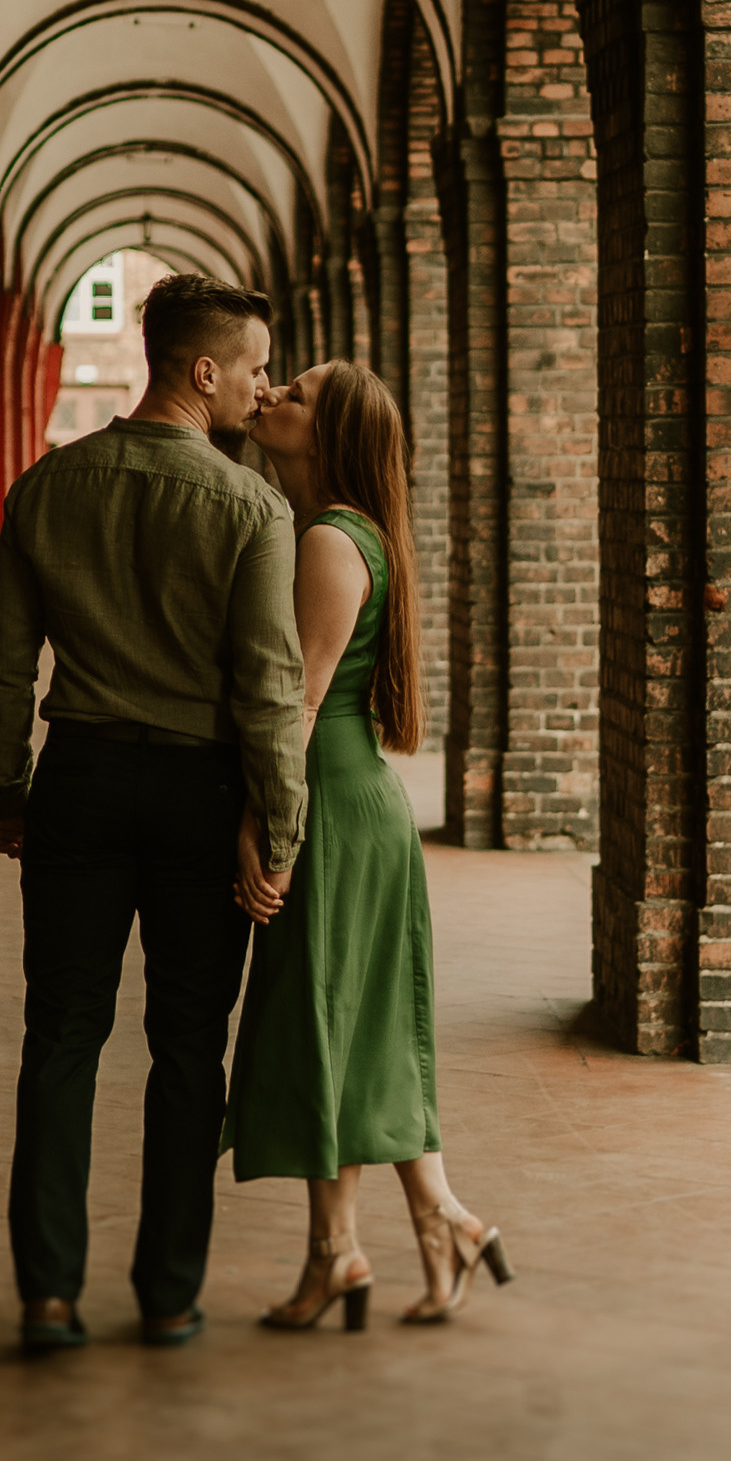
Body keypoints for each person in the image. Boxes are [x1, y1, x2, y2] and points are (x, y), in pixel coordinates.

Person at [0, 275, 306, 1355]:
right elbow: (266, 687)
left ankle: (48, 1295)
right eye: (254, 369)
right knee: (186, 1046)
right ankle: (168, 1292)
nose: (262, 391)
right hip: (200, 795)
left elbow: (6, 664)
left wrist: (11, 786)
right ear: (201, 369)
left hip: (79, 779)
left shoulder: (45, 487)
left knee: (62, 1034)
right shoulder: (252, 507)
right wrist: (281, 828)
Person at [223, 360, 513, 1328]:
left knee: (326, 1025)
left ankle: (350, 1250)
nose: (270, 398)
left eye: (294, 396)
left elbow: (297, 705)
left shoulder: (329, 542)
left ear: (331, 435)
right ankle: (423, 1226)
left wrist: (266, 826)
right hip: (354, 806)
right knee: (348, 1027)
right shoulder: (344, 534)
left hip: (331, 811)